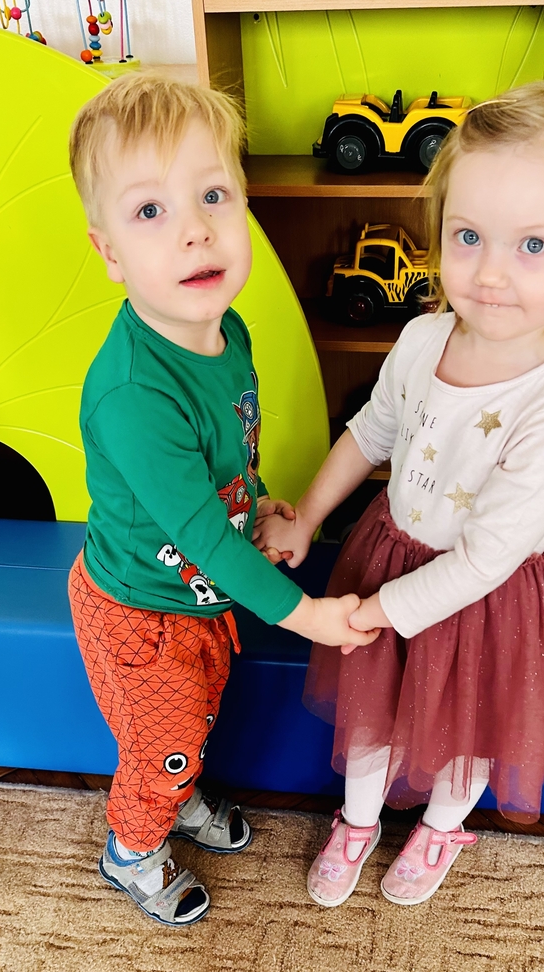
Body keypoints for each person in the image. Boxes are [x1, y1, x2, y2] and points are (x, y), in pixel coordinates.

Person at [254, 81, 544, 909]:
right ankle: (357, 820)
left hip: (486, 602)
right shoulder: (423, 336)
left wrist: (374, 613)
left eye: (532, 245)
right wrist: (308, 516)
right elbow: (370, 431)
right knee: (371, 713)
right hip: (389, 556)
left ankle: (440, 827)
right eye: (468, 236)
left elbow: (485, 560)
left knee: (466, 731)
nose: (489, 273)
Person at [67, 73, 377, 927]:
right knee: (161, 742)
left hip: (197, 597)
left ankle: (176, 783)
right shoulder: (134, 393)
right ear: (109, 253)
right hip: (141, 613)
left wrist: (266, 504)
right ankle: (132, 848)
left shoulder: (226, 331)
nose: (195, 229)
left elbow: (231, 458)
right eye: (150, 210)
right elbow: (203, 535)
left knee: (189, 724)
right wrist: (308, 618)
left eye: (213, 195)